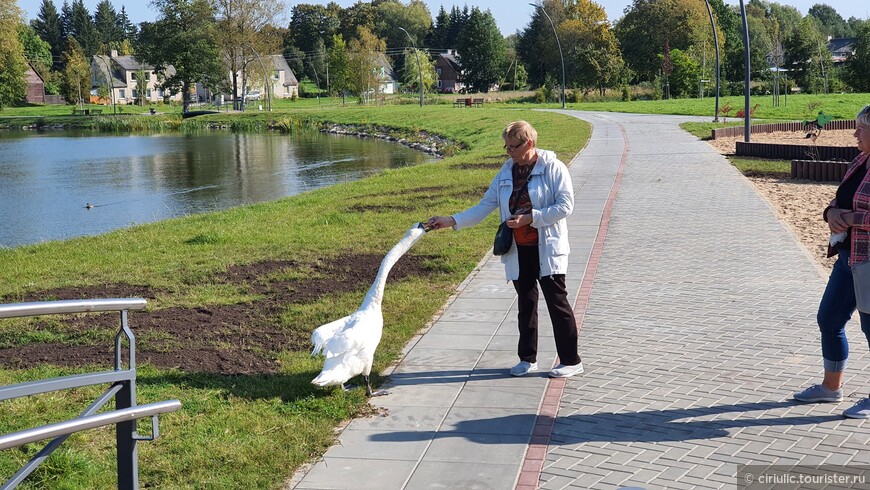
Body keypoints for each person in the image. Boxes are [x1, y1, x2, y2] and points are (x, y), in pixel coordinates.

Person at [426, 121, 583, 378]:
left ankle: (571, 360)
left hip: (547, 248)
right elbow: (485, 205)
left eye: (513, 147)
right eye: (506, 146)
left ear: (529, 144)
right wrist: (451, 220)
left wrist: (531, 218)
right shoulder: (507, 170)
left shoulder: (553, 168)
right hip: (518, 249)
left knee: (557, 303)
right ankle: (527, 358)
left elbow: (565, 206)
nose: (508, 152)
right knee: (526, 304)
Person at [794, 105, 870, 419]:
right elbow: (840, 198)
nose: (855, 134)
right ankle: (830, 388)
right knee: (829, 319)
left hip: (869, 262)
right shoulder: (860, 161)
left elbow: (855, 212)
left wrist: (850, 218)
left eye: (861, 130)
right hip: (849, 257)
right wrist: (831, 213)